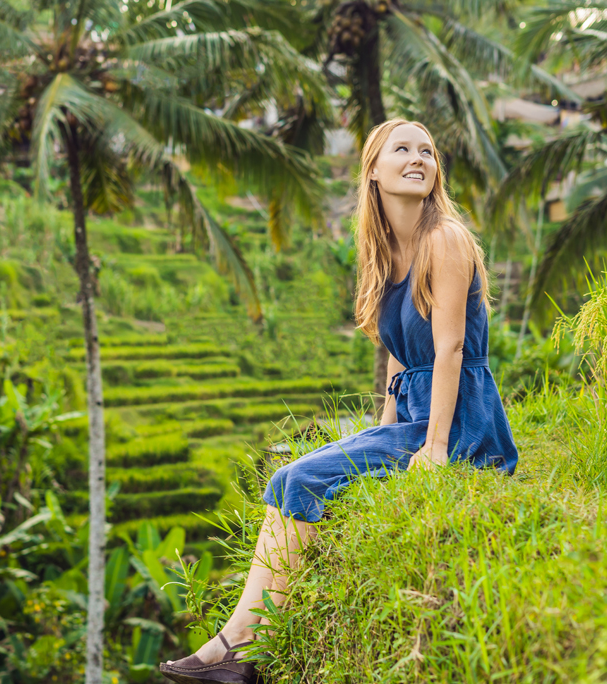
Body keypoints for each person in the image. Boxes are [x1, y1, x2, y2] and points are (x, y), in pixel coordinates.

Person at [159, 119, 519, 684]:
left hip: (466, 422)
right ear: (374, 171)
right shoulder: (387, 256)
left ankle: (240, 647)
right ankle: (236, 645)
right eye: (402, 149)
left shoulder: (445, 240)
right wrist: (378, 433)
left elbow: (448, 350)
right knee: (287, 479)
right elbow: (402, 357)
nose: (418, 157)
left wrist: (436, 446)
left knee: (297, 478)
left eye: (427, 150)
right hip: (416, 415)